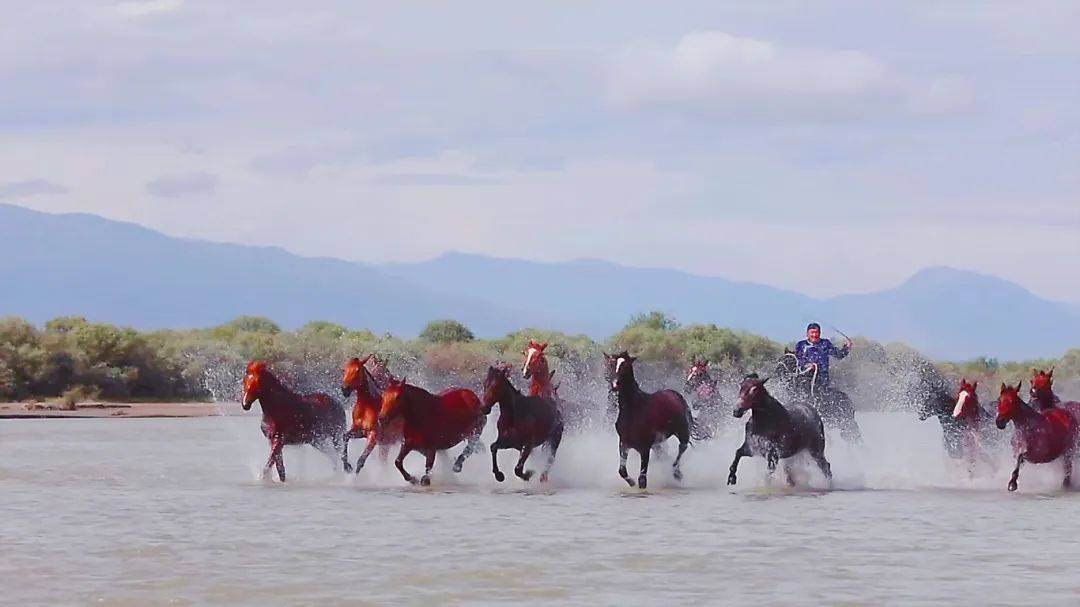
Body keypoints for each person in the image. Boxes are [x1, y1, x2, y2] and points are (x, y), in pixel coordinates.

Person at [794, 323, 852, 391]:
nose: (814, 335)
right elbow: (799, 360)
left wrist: (847, 348)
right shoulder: (801, 345)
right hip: (806, 380)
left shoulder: (825, 343)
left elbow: (839, 355)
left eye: (816, 332)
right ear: (807, 334)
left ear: (820, 333)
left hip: (823, 382)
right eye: (812, 332)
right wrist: (808, 366)